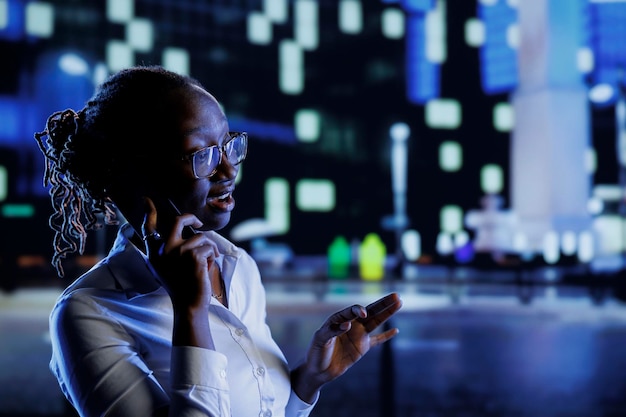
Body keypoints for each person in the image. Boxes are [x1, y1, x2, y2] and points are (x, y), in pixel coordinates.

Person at [34, 65, 403, 417]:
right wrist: (190, 311)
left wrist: (309, 381)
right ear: (136, 173)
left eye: (228, 145)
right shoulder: (87, 313)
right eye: (201, 154)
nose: (228, 169)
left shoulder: (237, 265)